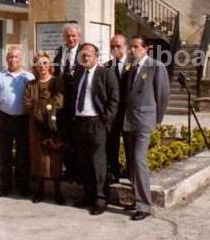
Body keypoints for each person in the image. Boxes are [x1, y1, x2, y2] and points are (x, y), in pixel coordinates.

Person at [122, 35, 170, 221]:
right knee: (131, 162)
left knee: (139, 159)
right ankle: (136, 199)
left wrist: (157, 119)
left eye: (136, 47)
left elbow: (163, 95)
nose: (132, 50)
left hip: (145, 120)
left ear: (145, 48)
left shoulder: (156, 67)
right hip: (129, 120)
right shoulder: (130, 67)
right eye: (131, 47)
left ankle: (144, 205)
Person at [72, 43, 119, 215]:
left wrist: (105, 121)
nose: (85, 58)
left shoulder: (106, 74)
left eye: (89, 55)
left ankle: (100, 199)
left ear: (96, 57)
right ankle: (88, 195)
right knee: (83, 162)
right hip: (80, 122)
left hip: (96, 122)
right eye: (83, 55)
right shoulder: (78, 74)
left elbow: (114, 100)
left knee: (98, 163)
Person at [0, 46, 34, 197]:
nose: (13, 59)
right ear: (6, 59)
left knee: (23, 155)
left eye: (16, 57)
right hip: (4, 118)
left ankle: (23, 186)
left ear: (21, 59)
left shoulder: (29, 77)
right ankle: (5, 185)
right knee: (5, 154)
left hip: (23, 120)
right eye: (10, 57)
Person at [24, 52, 65, 205]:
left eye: (45, 63)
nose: (42, 66)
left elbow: (59, 103)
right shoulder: (30, 84)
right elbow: (27, 105)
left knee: (54, 158)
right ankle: (39, 191)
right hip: (36, 126)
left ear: (50, 66)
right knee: (38, 158)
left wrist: (40, 105)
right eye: (39, 63)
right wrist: (47, 105)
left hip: (52, 126)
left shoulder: (57, 82)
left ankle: (57, 192)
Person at [54, 22, 82, 180]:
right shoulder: (60, 52)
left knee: (77, 138)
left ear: (78, 37)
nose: (70, 39)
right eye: (67, 36)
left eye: (73, 36)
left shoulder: (84, 51)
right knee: (63, 136)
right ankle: (68, 170)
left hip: (78, 101)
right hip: (62, 102)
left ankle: (77, 171)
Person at [104, 34, 128, 183]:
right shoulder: (106, 66)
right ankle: (114, 171)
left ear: (125, 47)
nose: (115, 49)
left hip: (129, 114)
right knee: (111, 144)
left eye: (118, 46)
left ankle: (130, 172)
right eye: (112, 46)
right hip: (113, 114)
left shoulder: (135, 65)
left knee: (130, 146)